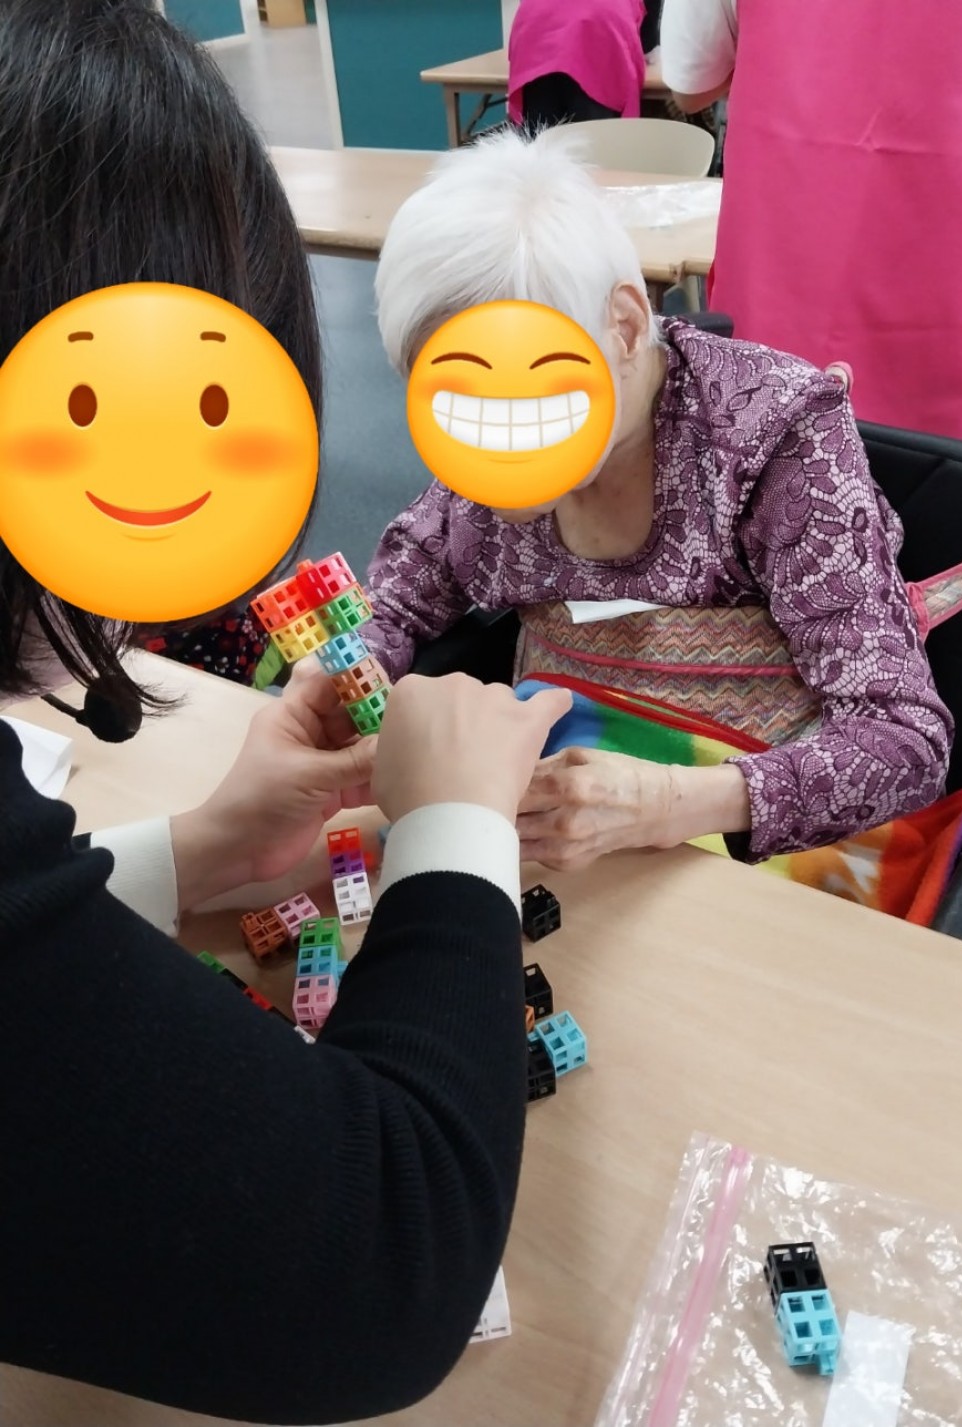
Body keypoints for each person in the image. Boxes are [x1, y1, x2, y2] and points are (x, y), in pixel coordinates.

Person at [0, 3, 571, 1421]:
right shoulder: (452, 518)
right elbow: (377, 1269)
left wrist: (196, 851)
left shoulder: (766, 437)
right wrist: (454, 831)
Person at [364, 130, 952, 873]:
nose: (481, 447)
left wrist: (665, 802)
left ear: (625, 325)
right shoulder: (486, 452)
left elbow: (904, 744)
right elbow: (396, 600)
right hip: (564, 840)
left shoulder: (774, 435)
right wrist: (345, 670)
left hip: (752, 860)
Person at [659, 0, 962, 449]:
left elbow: (692, 82)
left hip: (783, 278)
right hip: (946, 294)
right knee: (939, 476)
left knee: (765, 462)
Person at [507, 0, 652, 130]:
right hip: (597, 33)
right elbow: (648, 46)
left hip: (536, 28)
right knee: (591, 143)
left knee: (540, 140)